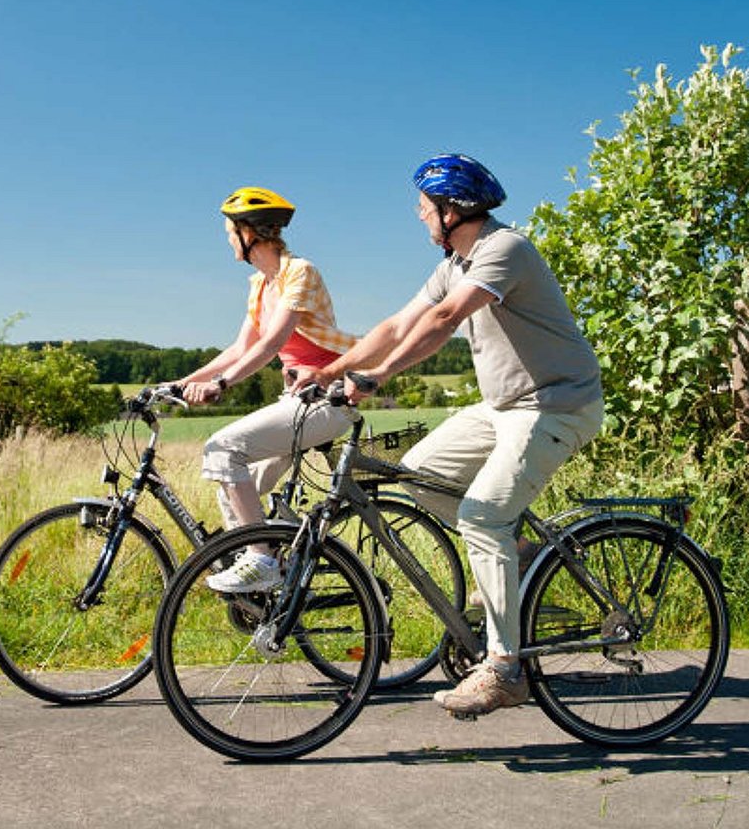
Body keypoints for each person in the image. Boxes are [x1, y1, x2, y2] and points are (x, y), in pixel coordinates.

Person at [290, 154, 604, 719]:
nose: (418, 215)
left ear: (452, 210)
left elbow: (443, 320)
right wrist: (331, 370)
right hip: (503, 407)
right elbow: (396, 325)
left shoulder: (504, 249)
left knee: (483, 517)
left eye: (423, 206)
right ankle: (522, 556)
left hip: (556, 405)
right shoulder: (454, 265)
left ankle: (505, 671)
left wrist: (378, 377)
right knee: (419, 472)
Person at [174, 186, 360, 593]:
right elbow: (240, 348)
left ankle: (262, 560)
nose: (228, 240)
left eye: (230, 232)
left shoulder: (299, 272)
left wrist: (222, 384)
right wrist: (181, 384)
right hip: (296, 400)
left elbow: (271, 343)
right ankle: (276, 582)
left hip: (327, 398)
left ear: (248, 233)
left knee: (223, 450)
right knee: (234, 490)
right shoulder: (260, 285)